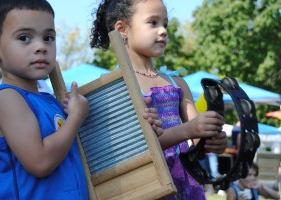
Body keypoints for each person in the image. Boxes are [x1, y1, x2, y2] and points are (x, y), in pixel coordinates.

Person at [0, 1, 164, 199]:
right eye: (24, 37)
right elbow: (40, 162)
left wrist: (138, 123)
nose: (41, 47)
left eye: (48, 37)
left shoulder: (49, 101)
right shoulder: (6, 98)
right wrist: (75, 119)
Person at [90, 0, 227, 199]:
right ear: (122, 29)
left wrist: (213, 140)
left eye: (165, 24)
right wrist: (188, 130)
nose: (163, 31)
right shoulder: (117, 88)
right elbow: (134, 147)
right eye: (153, 23)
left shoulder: (177, 83)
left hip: (186, 182)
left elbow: (198, 139)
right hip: (147, 185)